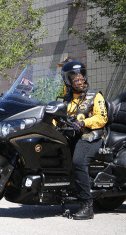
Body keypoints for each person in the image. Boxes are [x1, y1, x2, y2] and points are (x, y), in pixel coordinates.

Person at [61, 61, 108, 220]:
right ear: (67, 80)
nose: (78, 80)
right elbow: (59, 118)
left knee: (79, 161)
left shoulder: (95, 96)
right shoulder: (66, 99)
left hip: (90, 135)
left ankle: (87, 206)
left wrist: (84, 123)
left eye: (80, 76)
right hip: (72, 135)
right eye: (74, 77)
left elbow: (101, 118)